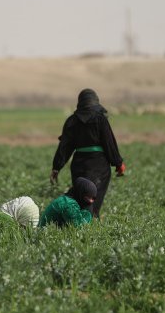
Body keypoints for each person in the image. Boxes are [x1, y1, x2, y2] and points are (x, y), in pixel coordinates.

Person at [50, 89, 125, 218]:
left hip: (79, 164)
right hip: (99, 166)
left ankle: (79, 220)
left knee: (82, 195)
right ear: (95, 102)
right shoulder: (100, 119)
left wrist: (56, 167)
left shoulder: (72, 121)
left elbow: (64, 147)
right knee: (93, 198)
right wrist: (118, 163)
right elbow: (109, 143)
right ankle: (90, 219)